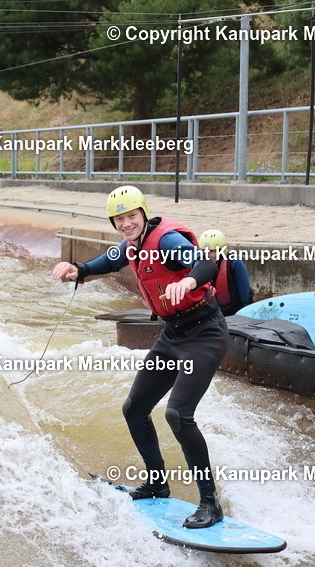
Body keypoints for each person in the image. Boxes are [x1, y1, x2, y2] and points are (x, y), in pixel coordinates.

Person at [52, 186, 229, 528]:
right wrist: (78, 269)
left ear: (144, 214)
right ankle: (157, 484)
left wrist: (189, 281)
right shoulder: (132, 244)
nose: (126, 224)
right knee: (134, 409)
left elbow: (205, 263)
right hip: (172, 334)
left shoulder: (167, 241)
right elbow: (109, 260)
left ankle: (210, 503)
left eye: (132, 216)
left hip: (204, 334)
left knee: (178, 415)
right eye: (119, 219)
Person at [197, 229, 253, 315]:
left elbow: (245, 293)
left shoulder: (235, 263)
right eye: (204, 251)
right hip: (210, 312)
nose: (207, 254)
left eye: (211, 251)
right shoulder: (198, 264)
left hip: (232, 311)